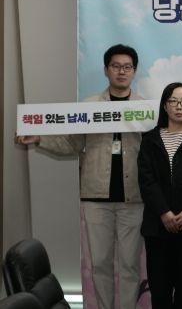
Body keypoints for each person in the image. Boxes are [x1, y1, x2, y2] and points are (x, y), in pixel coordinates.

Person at [15, 44, 143, 309]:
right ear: (106, 70)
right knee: (100, 264)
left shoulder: (146, 109)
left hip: (134, 197)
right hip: (96, 197)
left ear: (134, 71)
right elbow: (72, 143)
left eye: (127, 67)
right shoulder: (88, 106)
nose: (121, 71)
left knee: (130, 265)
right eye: (116, 66)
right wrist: (39, 138)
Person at [137, 82, 182, 309]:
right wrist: (164, 212)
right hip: (157, 227)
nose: (179, 106)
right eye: (173, 101)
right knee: (159, 292)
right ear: (165, 106)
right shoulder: (149, 139)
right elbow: (146, 180)